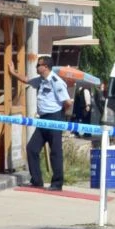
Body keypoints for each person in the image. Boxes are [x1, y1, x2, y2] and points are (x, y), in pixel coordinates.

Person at [25, 57, 72, 192]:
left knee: (55, 152)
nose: (36, 67)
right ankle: (37, 180)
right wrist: (13, 73)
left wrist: (60, 115)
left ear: (45, 66)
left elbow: (67, 102)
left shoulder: (56, 82)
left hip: (54, 117)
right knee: (32, 148)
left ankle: (57, 183)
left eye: (38, 65)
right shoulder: (40, 80)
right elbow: (26, 80)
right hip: (43, 119)